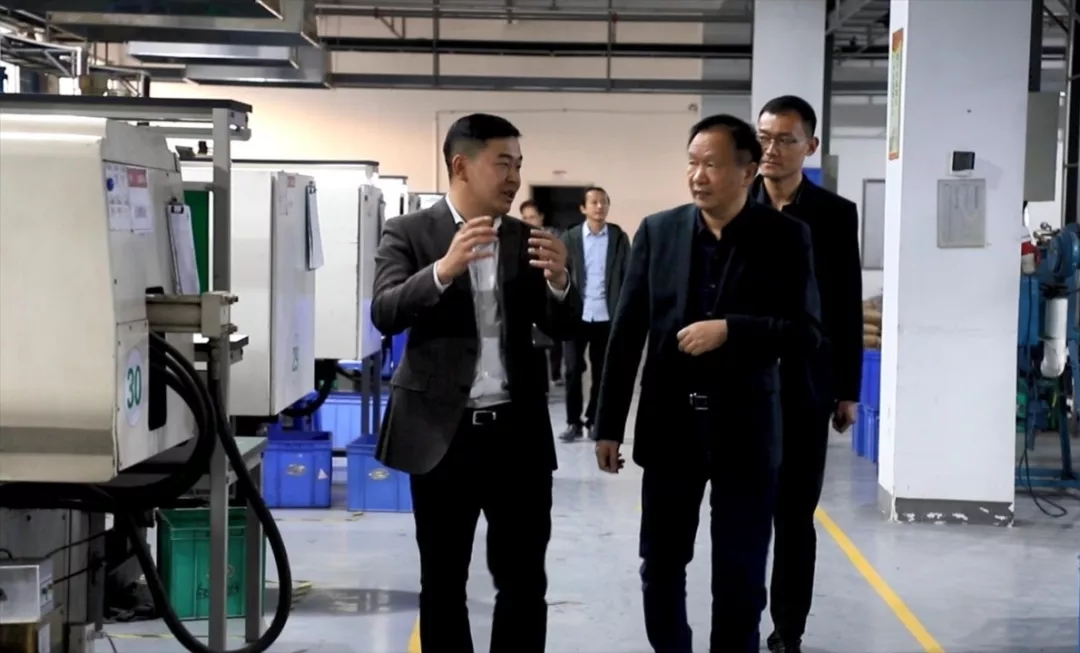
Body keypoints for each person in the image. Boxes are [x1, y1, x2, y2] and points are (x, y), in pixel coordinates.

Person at [592, 114, 822, 653]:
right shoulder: (658, 231)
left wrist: (732, 330)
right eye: (692, 163)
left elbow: (806, 332)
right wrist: (608, 425)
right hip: (670, 426)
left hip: (746, 428)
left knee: (741, 575)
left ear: (747, 171)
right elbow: (627, 332)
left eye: (711, 165)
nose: (698, 176)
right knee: (661, 564)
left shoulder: (785, 238)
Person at [371, 113, 582, 653]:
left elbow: (563, 327)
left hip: (517, 435)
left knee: (524, 581)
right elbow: (385, 311)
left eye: (519, 165)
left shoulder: (527, 239)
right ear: (461, 166)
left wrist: (561, 282)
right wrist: (443, 270)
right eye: (502, 164)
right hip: (443, 436)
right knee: (443, 582)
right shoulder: (409, 232)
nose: (514, 178)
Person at [752, 95, 863, 653]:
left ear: (810, 146)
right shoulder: (734, 203)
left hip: (805, 384)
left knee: (795, 515)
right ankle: (740, 621)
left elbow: (845, 304)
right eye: (764, 138)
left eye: (784, 140)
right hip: (743, 386)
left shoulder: (835, 214)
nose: (771, 149)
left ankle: (788, 629)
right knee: (743, 513)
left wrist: (847, 390)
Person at [558, 187, 630, 442]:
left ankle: (593, 420)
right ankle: (573, 422)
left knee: (602, 372)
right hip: (576, 316)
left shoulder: (618, 238)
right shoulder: (570, 238)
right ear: (583, 208)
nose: (600, 207)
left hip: (605, 316)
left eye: (604, 202)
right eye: (594, 202)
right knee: (572, 370)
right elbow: (561, 272)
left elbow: (627, 274)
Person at [521, 199, 566, 387]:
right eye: (525, 217)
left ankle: (555, 374)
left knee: (554, 336)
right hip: (529, 291)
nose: (528, 221)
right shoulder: (520, 237)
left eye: (532, 216)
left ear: (541, 217)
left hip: (550, 289)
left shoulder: (554, 237)